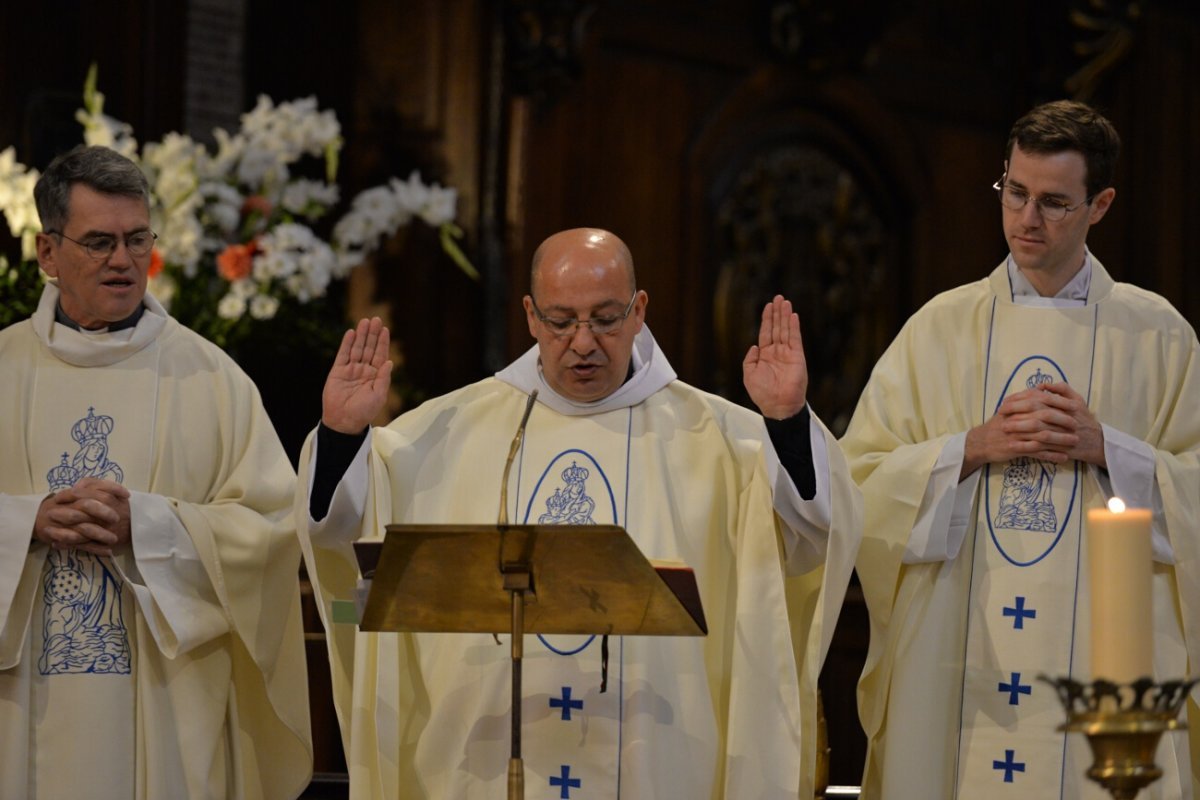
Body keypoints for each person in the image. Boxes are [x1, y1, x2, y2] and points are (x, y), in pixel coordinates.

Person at [298, 227, 861, 798]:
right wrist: (344, 437)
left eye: (605, 318)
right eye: (561, 321)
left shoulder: (719, 439)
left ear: (639, 311)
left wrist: (788, 424)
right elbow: (344, 531)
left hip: (659, 755)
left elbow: (811, 535)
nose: (584, 342)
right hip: (488, 758)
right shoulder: (445, 433)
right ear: (530, 316)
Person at [843, 100, 1200, 798]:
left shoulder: (1157, 337)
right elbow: (860, 485)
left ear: (1101, 205)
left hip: (1107, 672)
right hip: (960, 660)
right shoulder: (940, 328)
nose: (1026, 220)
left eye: (1054, 203)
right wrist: (970, 448)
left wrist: (1111, 450)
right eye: (1014, 192)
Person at [0, 145, 312, 798]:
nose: (123, 260)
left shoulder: (211, 379)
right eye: (99, 242)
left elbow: (273, 534)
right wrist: (25, 520)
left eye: (137, 239)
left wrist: (149, 527)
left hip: (168, 712)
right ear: (48, 255)